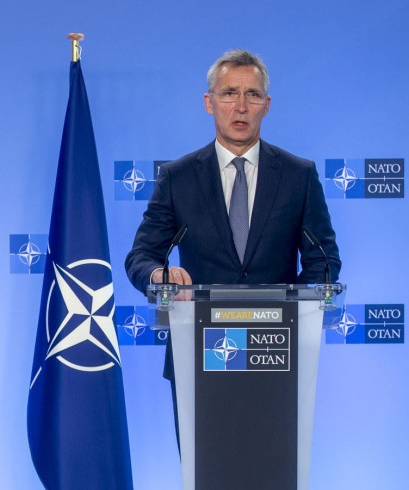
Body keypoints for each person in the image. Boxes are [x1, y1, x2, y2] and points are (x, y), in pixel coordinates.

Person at [125, 49, 341, 369]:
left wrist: (290, 309)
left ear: (266, 106)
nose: (241, 107)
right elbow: (140, 257)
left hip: (275, 350)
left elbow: (325, 260)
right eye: (229, 93)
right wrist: (159, 274)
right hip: (196, 350)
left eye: (252, 94)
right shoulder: (178, 178)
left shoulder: (299, 175)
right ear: (209, 103)